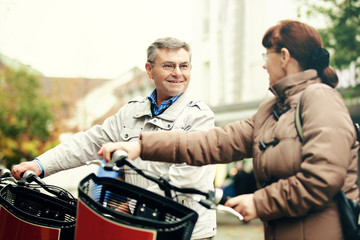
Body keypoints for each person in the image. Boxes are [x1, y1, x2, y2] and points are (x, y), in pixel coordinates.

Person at [97, 20, 359, 240]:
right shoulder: (270, 110)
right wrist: (142, 146)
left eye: (266, 55)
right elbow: (214, 142)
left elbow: (322, 177)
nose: (263, 65)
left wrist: (259, 203)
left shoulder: (320, 99)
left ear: (284, 56)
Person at [12, 37, 217, 240]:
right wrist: (39, 165)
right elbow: (90, 142)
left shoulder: (199, 117)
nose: (178, 73)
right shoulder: (131, 112)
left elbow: (187, 179)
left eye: (184, 66)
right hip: (139, 228)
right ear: (149, 69)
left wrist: (131, 206)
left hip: (186, 233)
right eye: (169, 66)